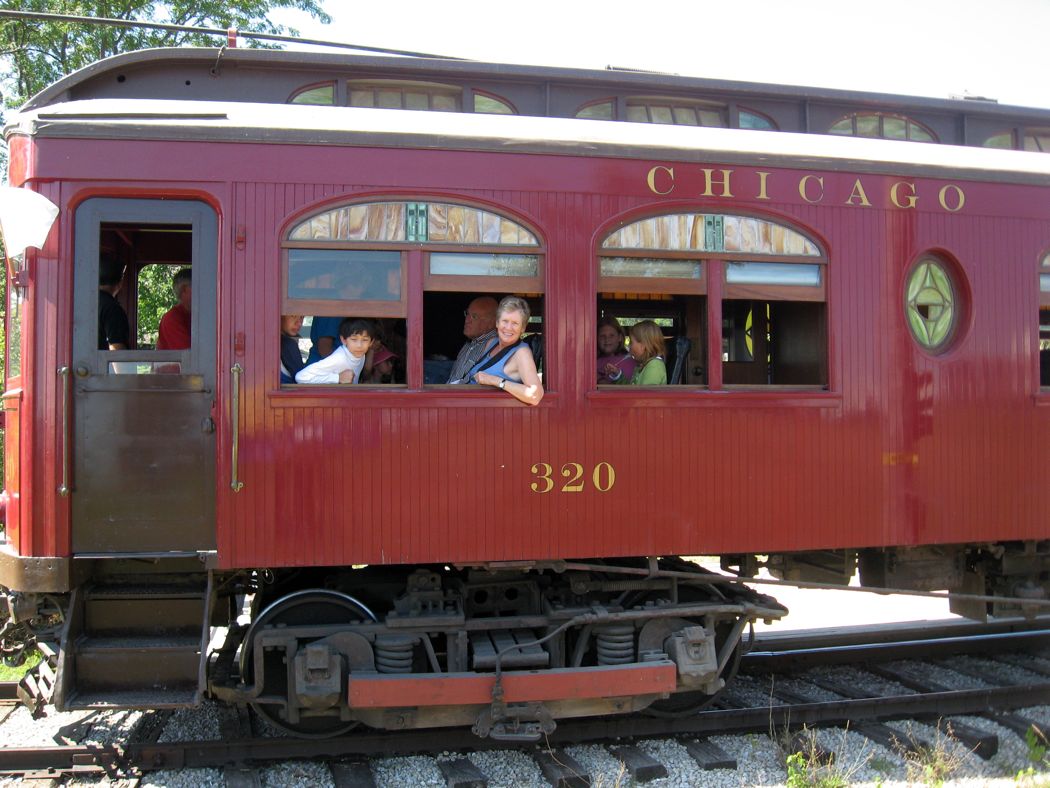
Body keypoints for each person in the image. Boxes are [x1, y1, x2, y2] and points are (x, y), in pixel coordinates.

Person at [468, 296, 544, 406]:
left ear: (522, 328)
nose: (508, 327)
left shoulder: (522, 353)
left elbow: (535, 395)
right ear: (497, 323)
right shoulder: (492, 343)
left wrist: (495, 381)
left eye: (515, 323)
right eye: (505, 321)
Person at [295, 318, 376, 384]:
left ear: (371, 342)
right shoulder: (339, 358)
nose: (359, 345)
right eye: (354, 339)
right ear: (343, 340)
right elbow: (301, 377)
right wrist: (337, 378)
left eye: (365, 340)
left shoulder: (361, 355)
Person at [447, 296, 498, 383]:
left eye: (474, 316)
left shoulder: (494, 346)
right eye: (467, 314)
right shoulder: (471, 342)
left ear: (491, 322)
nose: (467, 320)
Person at [610, 320, 667, 385]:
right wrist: (617, 376)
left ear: (643, 345)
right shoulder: (641, 365)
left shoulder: (655, 365)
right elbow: (631, 389)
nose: (629, 346)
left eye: (631, 342)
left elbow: (643, 394)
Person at [97, 254, 129, 350]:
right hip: (102, 365)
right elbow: (117, 351)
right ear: (120, 282)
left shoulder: (84, 302)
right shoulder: (113, 309)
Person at [157, 267, 191, 350]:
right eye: (199, 287)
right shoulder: (172, 318)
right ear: (184, 290)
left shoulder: (199, 316)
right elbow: (193, 356)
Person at [597, 316, 636, 384]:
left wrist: (599, 380)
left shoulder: (629, 362)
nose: (607, 339)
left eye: (611, 335)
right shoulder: (591, 361)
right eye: (602, 336)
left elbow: (625, 391)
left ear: (620, 337)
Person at [280, 315, 306, 384]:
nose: (299, 323)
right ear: (280, 316)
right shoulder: (289, 345)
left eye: (302, 317)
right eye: (293, 316)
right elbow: (303, 381)